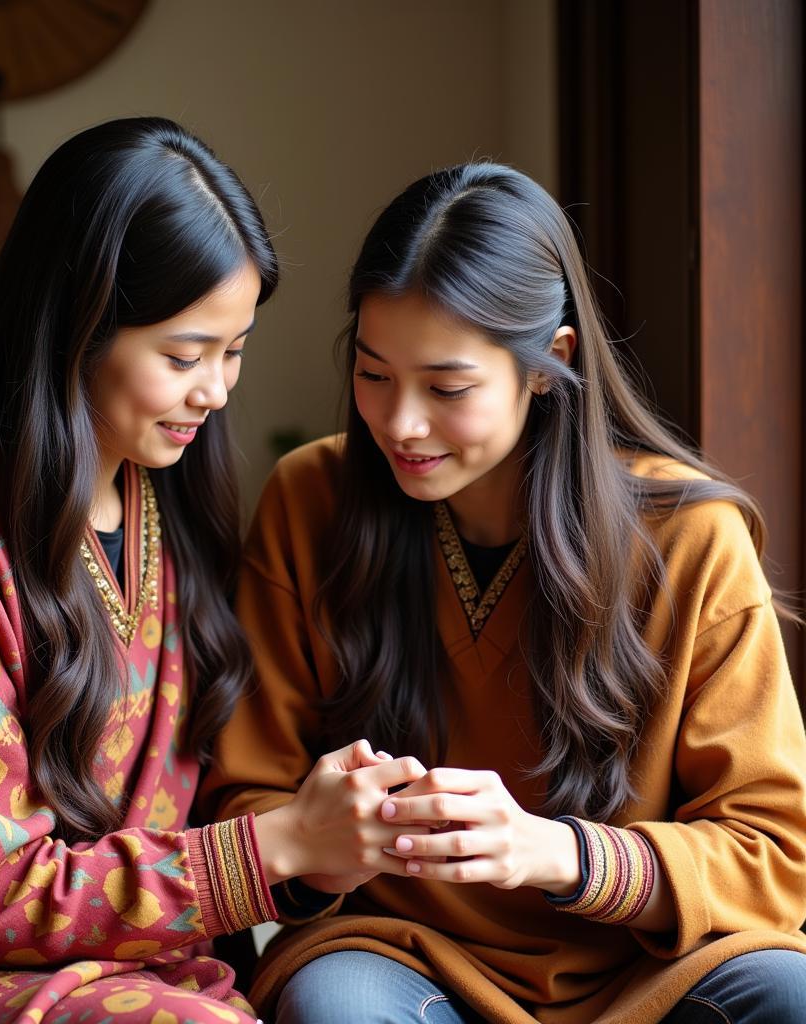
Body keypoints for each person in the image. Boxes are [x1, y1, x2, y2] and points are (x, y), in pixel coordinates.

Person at [0, 117, 427, 1024]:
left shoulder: (169, 499)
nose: (216, 390)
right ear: (77, 328)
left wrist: (314, 860)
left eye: (233, 351)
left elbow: (188, 824)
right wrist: (272, 845)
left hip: (132, 966)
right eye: (183, 355)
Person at [201, 161, 806, 1023]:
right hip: (401, 954)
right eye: (373, 374)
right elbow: (244, 795)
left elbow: (775, 857)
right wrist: (330, 840)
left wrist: (555, 853)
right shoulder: (311, 500)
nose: (400, 424)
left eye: (447, 388)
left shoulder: (690, 539)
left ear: (545, 364)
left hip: (648, 971)